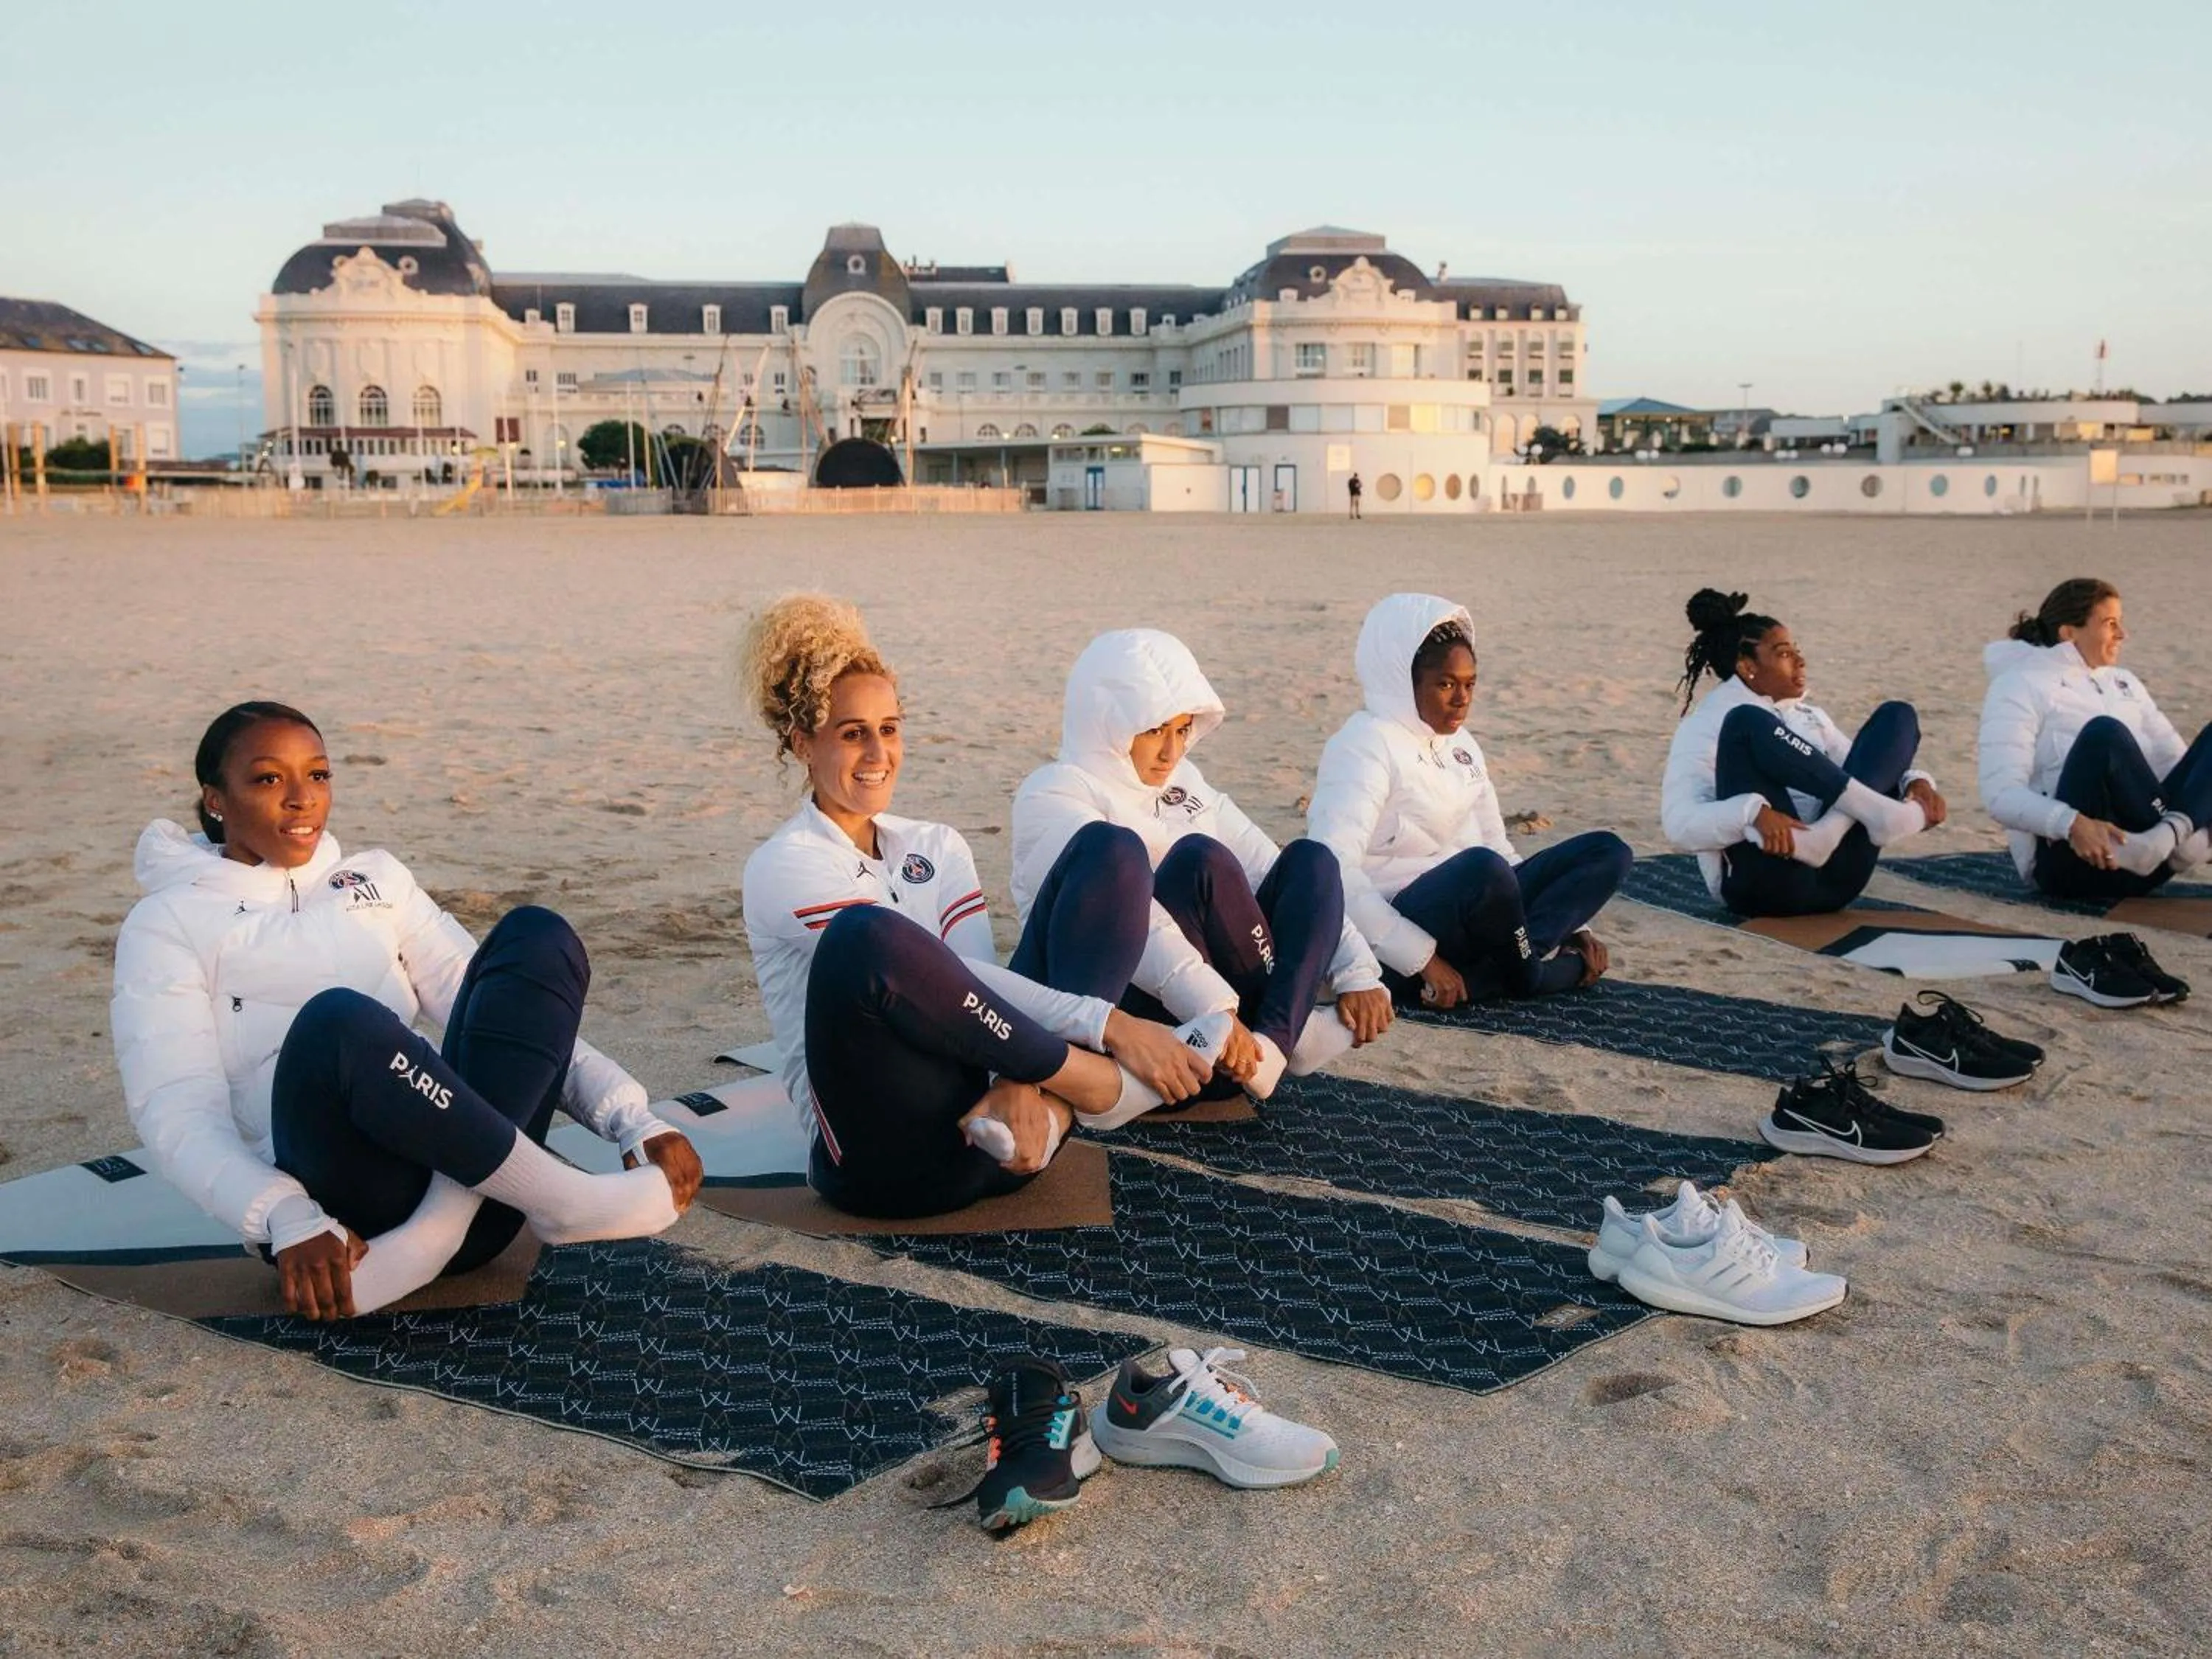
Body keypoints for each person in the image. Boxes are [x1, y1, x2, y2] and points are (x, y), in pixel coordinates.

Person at [111, 702, 700, 1323]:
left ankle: (450, 1228)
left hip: (485, 1206)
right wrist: (284, 1216)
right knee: (339, 1022)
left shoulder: (377, 880)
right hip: (337, 1232)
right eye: (267, 779)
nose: (301, 799)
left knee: (536, 936)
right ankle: (559, 1197)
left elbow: (503, 1020)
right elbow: (175, 1109)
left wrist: (633, 1119)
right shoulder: (167, 922)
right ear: (215, 800)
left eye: (317, 775)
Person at [740, 598, 1214, 1221]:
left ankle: (1048, 1104)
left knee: (1110, 849)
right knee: (866, 936)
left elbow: (977, 987)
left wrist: (1015, 1080)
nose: (879, 753)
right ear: (803, 743)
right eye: (853, 734)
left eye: (889, 728)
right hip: (888, 1167)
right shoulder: (785, 863)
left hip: (1000, 1131)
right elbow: (941, 981)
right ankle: (1091, 1089)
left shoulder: (937, 845)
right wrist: (1112, 1027)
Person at [1011, 628, 1393, 1102]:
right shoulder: (1055, 792)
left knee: (1311, 860)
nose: (1171, 751)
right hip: (1130, 1026)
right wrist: (1214, 1005)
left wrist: (1357, 971)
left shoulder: (1185, 780)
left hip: (1230, 1044)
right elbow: (1130, 919)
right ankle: (1285, 1031)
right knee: (1199, 859)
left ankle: (1276, 1045)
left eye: (1182, 729)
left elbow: (1264, 862)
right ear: (1106, 721)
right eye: (1153, 730)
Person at [1307, 593, 1632, 1010]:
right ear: (1403, 681)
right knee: (1482, 869)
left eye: (1469, 684)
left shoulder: (1462, 745)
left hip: (1478, 911)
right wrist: (1423, 958)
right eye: (1445, 684)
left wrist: (1573, 924)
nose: (1462, 700)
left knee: (1608, 852)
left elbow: (1499, 845)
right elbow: (1334, 873)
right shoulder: (1364, 745)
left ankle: (1497, 975)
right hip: (1405, 921)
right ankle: (1528, 976)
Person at [1662, 588, 1944, 917]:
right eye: (1784, 653)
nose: (1800, 660)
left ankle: (1830, 834)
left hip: (1840, 880)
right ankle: (1872, 820)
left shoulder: (1812, 717)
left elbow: (1866, 768)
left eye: (1797, 650)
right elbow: (1679, 825)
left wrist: (1916, 783)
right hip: (1768, 880)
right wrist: (1750, 813)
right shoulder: (1711, 721)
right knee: (1747, 723)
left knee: (1898, 715)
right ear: (1747, 666)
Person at [1980, 577, 2212, 900]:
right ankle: (2185, 844)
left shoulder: (2124, 682)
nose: (2122, 634)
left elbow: (2176, 764)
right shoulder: (2018, 685)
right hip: (2077, 861)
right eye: (2110, 623)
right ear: (2069, 632)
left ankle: (2167, 840)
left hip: (2147, 856)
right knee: (2104, 735)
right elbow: (2000, 795)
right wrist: (2071, 823)